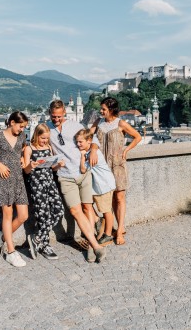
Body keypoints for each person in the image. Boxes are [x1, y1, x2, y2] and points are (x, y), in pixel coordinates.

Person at [47, 100, 106, 263]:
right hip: (65, 176)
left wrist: (93, 151)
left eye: (59, 116)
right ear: (49, 113)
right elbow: (37, 144)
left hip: (83, 172)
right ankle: (96, 246)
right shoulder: (47, 128)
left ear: (64, 112)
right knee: (75, 211)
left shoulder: (75, 125)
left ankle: (90, 245)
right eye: (53, 116)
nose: (56, 119)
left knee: (87, 208)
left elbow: (93, 139)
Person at [90, 97, 141, 245]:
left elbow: (137, 137)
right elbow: (89, 136)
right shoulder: (98, 122)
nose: (101, 111)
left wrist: (126, 150)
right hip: (102, 167)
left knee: (119, 197)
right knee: (109, 198)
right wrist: (93, 148)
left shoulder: (121, 123)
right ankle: (113, 228)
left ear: (111, 110)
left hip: (117, 165)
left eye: (104, 109)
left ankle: (119, 231)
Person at [0, 111, 29, 267]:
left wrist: (23, 160)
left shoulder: (22, 137)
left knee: (23, 215)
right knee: (8, 214)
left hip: (18, 178)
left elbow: (24, 149)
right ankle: (11, 252)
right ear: (12, 122)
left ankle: (1, 237)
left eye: (24, 127)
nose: (22, 130)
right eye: (21, 126)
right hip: (4, 179)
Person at [24, 123, 65, 260]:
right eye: (43, 138)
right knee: (43, 215)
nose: (45, 141)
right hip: (37, 185)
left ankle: (37, 237)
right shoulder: (29, 149)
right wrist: (32, 165)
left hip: (50, 183)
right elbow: (26, 170)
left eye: (47, 138)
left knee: (59, 210)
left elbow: (52, 168)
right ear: (36, 135)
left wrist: (58, 165)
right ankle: (44, 245)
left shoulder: (48, 147)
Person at [75, 129, 116, 246]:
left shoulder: (93, 155)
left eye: (80, 142)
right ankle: (100, 224)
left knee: (106, 211)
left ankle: (107, 235)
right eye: (77, 142)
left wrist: (82, 157)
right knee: (93, 206)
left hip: (103, 186)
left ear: (89, 141)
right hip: (100, 186)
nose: (78, 144)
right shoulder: (90, 152)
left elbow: (83, 169)